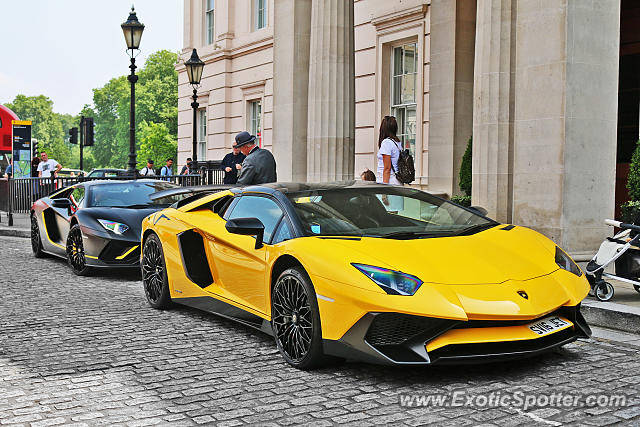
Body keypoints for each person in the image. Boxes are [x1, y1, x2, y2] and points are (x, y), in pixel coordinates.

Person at [376, 116, 403, 186]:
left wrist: (384, 190)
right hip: (397, 180)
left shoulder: (386, 142)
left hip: (388, 180)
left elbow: (387, 168)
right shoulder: (397, 142)